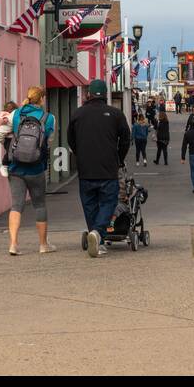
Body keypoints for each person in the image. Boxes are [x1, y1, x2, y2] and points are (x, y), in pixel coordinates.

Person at [68, 79, 131, 257]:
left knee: (89, 204)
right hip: (108, 167)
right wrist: (119, 158)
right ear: (105, 94)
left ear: (88, 94)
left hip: (86, 168)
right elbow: (126, 139)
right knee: (108, 202)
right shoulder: (116, 114)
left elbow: (70, 139)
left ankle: (98, 239)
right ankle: (97, 233)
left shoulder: (77, 114)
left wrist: (80, 154)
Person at [6, 86, 55, 256]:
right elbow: (49, 141)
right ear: (41, 99)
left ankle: (13, 244)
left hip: (16, 167)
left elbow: (5, 132)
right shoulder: (49, 118)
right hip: (36, 168)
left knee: (16, 205)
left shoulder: (17, 114)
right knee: (40, 204)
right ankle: (43, 245)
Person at [0, 99, 18, 176]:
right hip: (9, 138)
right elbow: (5, 122)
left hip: (6, 138)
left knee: (11, 152)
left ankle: (8, 165)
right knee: (10, 152)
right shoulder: (6, 116)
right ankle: (4, 165)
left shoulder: (0, 114)